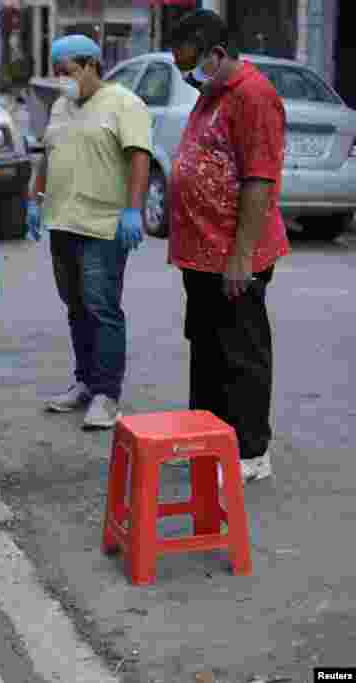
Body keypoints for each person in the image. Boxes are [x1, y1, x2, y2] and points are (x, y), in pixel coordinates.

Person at [167, 10, 289, 482]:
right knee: (208, 350)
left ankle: (251, 451)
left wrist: (240, 257)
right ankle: (208, 440)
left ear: (216, 55)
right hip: (201, 253)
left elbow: (259, 180)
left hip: (233, 255)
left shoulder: (253, 97)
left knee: (240, 353)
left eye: (190, 68)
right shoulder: (212, 93)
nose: (186, 79)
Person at [26, 34, 153, 429]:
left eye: (66, 71)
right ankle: (85, 382)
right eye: (56, 71)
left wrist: (133, 211)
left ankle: (107, 395)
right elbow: (49, 155)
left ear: (90, 65)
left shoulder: (124, 104)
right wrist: (35, 199)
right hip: (62, 222)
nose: (61, 79)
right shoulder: (61, 106)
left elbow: (139, 158)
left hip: (103, 225)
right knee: (76, 308)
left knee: (102, 308)